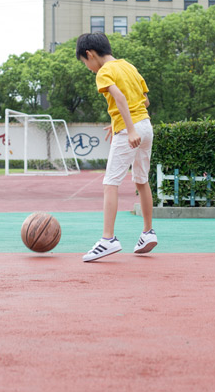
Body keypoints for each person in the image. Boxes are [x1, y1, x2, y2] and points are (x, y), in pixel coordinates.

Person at [76, 32, 158, 262]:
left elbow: (120, 98)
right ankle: (147, 232)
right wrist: (121, 123)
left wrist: (128, 128)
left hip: (131, 130)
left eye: (85, 63)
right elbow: (144, 100)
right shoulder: (129, 67)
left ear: (90, 54)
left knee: (110, 183)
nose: (88, 67)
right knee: (141, 181)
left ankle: (108, 239)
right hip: (146, 126)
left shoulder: (104, 72)